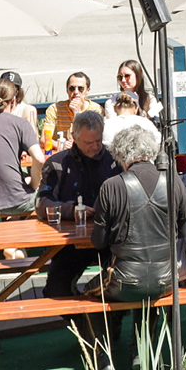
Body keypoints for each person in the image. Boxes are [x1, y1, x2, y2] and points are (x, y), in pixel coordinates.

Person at [86, 123, 186, 370]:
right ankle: (140, 353)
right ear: (151, 152)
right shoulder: (174, 182)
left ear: (121, 155)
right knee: (148, 291)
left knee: (85, 296)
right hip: (166, 280)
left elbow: (98, 242)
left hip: (122, 281)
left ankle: (105, 362)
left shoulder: (111, 186)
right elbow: (183, 231)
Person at [40, 111, 121, 301]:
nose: (95, 147)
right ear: (74, 138)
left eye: (98, 141)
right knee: (55, 292)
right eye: (88, 143)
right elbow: (42, 203)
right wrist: (70, 210)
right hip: (70, 244)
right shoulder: (57, 163)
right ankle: (87, 326)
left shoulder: (114, 159)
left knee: (122, 286)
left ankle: (109, 326)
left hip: (110, 240)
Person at [0, 80, 51, 214]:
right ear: (14, 100)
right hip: (18, 202)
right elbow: (40, 159)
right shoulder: (20, 124)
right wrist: (33, 184)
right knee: (51, 193)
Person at [44, 72, 99, 144]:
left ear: (87, 91)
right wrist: (62, 145)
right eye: (72, 88)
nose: (76, 92)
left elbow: (93, 139)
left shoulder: (96, 110)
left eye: (81, 89)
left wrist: (77, 113)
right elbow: (44, 139)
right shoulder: (55, 109)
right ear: (67, 90)